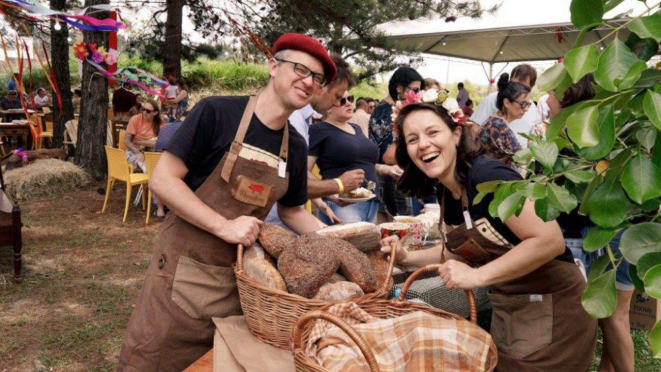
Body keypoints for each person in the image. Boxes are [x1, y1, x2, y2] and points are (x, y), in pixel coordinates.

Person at [118, 33, 335, 371]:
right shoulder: (217, 112)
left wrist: (341, 244)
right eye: (301, 69)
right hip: (182, 274)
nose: (308, 82)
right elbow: (162, 180)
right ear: (273, 65)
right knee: (154, 359)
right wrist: (224, 225)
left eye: (317, 78)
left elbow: (292, 211)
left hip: (243, 284)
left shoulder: (295, 146)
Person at [381, 96, 597, 371]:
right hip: (512, 309)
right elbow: (456, 253)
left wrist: (477, 276)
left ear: (457, 134)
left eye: (433, 132)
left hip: (555, 307)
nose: (423, 144)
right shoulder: (447, 190)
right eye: (412, 139)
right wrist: (405, 257)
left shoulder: (486, 175)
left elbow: (549, 241)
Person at [547, 74, 634, 372]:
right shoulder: (609, 130)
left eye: (551, 94)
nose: (546, 101)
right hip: (627, 230)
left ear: (567, 97)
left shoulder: (567, 139)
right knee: (617, 316)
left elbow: (557, 202)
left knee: (611, 318)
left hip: (597, 234)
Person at [265, 52, 358, 228]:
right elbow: (292, 183)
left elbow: (297, 171)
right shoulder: (293, 118)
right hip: (273, 223)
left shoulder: (302, 120)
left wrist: (324, 201)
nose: (338, 102)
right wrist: (338, 185)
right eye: (338, 96)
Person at [308, 91, 383, 224]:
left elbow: (364, 162)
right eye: (341, 100)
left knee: (368, 245)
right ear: (328, 107)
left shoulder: (356, 128)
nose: (348, 103)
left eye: (350, 98)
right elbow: (303, 170)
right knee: (350, 245)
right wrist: (321, 202)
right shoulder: (318, 129)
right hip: (344, 205)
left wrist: (388, 169)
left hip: (371, 201)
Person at [370, 67, 425, 219]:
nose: (417, 94)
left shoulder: (387, 109)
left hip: (393, 178)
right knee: (403, 227)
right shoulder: (387, 113)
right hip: (393, 178)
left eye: (420, 90)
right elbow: (390, 157)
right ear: (399, 87)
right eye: (414, 90)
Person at [471, 64, 541, 149]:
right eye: (514, 84)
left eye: (522, 86)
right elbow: (475, 130)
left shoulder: (532, 108)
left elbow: (531, 137)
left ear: (531, 87)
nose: (516, 88)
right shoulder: (491, 100)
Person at [477, 75, 532, 165]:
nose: (526, 109)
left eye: (528, 105)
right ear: (506, 103)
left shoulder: (493, 121)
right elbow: (522, 160)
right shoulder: (500, 127)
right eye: (523, 104)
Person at [124, 99, 164, 172]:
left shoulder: (160, 122)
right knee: (147, 167)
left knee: (163, 163)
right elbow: (126, 140)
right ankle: (149, 180)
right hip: (134, 150)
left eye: (148, 111)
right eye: (143, 109)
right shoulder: (135, 119)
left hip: (151, 150)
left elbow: (163, 139)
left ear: (155, 113)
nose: (144, 112)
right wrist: (137, 152)